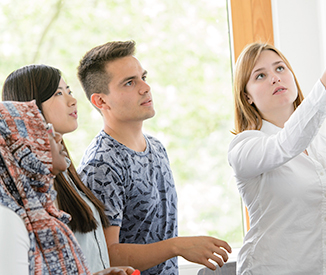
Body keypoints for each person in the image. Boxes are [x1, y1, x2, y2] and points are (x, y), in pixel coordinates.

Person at [76, 40, 232, 275]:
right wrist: (177, 246)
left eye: (143, 77)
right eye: (129, 82)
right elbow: (105, 254)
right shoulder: (101, 165)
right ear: (101, 101)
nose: (145, 88)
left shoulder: (156, 147)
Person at [228, 29, 326, 274]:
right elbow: (285, 145)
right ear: (247, 97)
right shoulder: (244, 147)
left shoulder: (323, 145)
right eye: (260, 76)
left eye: (280, 68)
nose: (275, 78)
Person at [0, 100, 136, 275]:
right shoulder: (8, 220)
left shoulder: (39, 213)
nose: (57, 137)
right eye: (45, 130)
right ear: (22, 149)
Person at [2, 64, 112, 273]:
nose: (72, 100)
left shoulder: (66, 172)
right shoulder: (27, 191)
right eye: (58, 94)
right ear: (27, 110)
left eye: (69, 91)